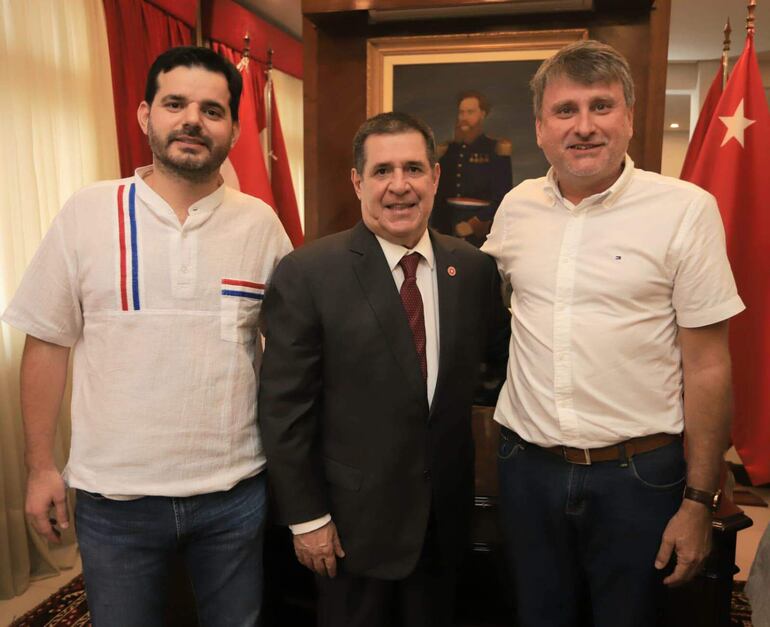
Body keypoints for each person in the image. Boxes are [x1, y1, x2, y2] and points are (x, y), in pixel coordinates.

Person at [2, 46, 291, 626]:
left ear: (233, 127)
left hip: (234, 494)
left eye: (213, 110)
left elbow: (288, 350)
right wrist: (40, 468)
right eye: (175, 103)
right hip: (115, 504)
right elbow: (47, 343)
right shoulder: (87, 212)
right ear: (144, 115)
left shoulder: (260, 223)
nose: (192, 120)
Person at [481, 40, 745, 627]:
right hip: (528, 469)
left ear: (628, 118)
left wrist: (699, 500)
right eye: (565, 110)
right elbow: (500, 310)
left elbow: (708, 366)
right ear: (540, 128)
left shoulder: (686, 210)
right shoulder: (516, 207)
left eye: (601, 106)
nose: (584, 126)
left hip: (640, 478)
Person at [258, 111, 507, 627]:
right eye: (382, 171)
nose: (400, 186)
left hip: (444, 526)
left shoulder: (474, 268)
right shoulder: (309, 273)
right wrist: (307, 518)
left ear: (435, 178)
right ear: (358, 181)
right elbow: (285, 409)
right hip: (350, 532)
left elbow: (491, 372)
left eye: (414, 168)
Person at [431, 90, 513, 247]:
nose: (464, 118)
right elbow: (439, 195)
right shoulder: (447, 151)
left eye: (470, 112)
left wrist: (474, 224)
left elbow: (503, 197)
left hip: (481, 232)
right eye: (461, 113)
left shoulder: (496, 149)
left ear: (482, 114)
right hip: (447, 229)